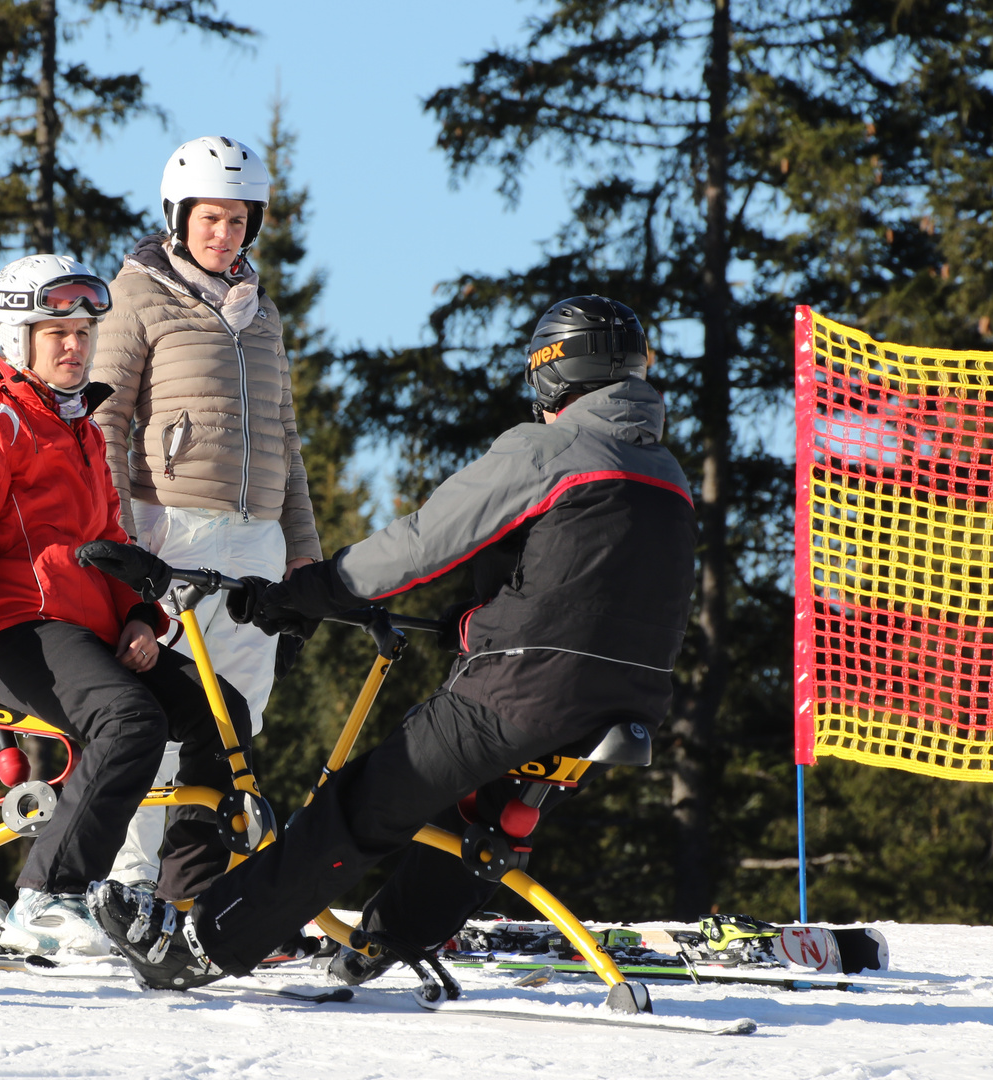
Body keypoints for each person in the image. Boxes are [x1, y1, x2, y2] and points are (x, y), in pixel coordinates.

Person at [88, 296, 699, 989]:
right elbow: (595, 588)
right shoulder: (668, 476)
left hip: (523, 687)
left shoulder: (549, 449)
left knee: (363, 803)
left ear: (551, 375)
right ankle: (384, 943)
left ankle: (203, 943)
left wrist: (313, 589)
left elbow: (422, 544)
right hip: (633, 696)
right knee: (482, 816)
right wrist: (470, 624)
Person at [0, 253, 254, 955]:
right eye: (54, 330)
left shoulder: (80, 428)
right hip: (14, 625)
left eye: (83, 331)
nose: (73, 344)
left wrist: (138, 616)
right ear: (18, 337)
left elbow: (111, 540)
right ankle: (47, 896)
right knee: (128, 720)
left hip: (89, 627)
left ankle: (183, 900)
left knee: (223, 716)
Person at [91, 135, 321, 888]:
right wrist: (118, 538)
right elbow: (103, 421)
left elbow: (286, 441)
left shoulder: (263, 317)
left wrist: (304, 554)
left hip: (254, 540)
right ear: (177, 215)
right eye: (210, 219)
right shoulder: (136, 297)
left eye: (239, 220)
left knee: (235, 720)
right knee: (162, 711)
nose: (224, 235)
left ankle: (196, 886)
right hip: (171, 527)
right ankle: (125, 883)